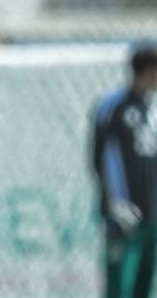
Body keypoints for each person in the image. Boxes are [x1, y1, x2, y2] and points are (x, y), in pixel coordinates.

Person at [92, 43, 157, 298]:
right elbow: (102, 159)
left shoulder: (152, 108)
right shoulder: (113, 106)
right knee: (119, 289)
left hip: (152, 213)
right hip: (125, 217)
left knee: (144, 288)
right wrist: (116, 204)